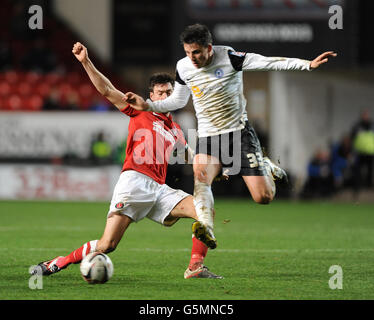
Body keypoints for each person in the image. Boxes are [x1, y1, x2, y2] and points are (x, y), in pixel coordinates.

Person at [124, 23, 337, 249]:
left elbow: (268, 61)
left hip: (239, 134)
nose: (192, 57)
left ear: (209, 47)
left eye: (196, 52)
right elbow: (178, 100)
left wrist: (307, 65)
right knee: (201, 175)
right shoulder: (184, 67)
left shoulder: (230, 58)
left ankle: (267, 167)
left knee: (263, 197)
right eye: (187, 52)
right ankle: (205, 226)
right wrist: (147, 106)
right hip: (208, 136)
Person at [30, 42, 222, 279]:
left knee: (204, 208)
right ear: (151, 96)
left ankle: (195, 266)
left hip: (159, 189)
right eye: (160, 93)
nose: (165, 96)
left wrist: (213, 169)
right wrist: (86, 62)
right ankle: (59, 262)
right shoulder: (141, 110)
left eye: (169, 92)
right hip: (135, 183)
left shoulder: (177, 130)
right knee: (107, 245)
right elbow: (108, 90)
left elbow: (190, 157)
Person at [351, 109, 374, 189]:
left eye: (366, 115)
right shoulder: (357, 126)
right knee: (358, 170)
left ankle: (369, 186)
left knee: (370, 170)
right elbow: (352, 138)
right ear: (361, 116)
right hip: (360, 152)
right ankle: (358, 186)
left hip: (370, 151)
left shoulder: (372, 125)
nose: (365, 117)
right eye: (364, 115)